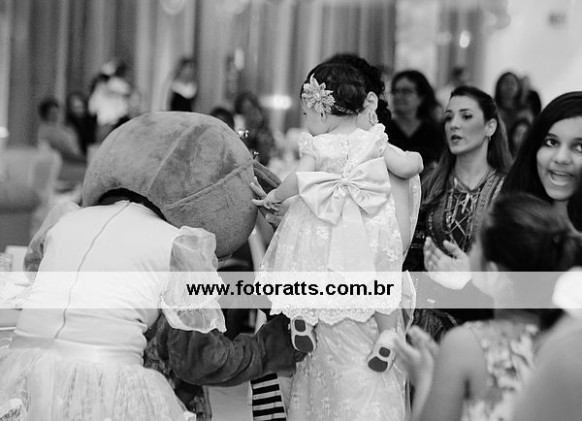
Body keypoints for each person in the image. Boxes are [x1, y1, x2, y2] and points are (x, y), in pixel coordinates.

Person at [0, 112, 297, 421]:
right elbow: (201, 361)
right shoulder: (178, 246)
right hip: (106, 384)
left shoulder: (66, 218)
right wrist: (272, 344)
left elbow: (33, 279)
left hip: (23, 377)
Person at [252, 61, 421, 420]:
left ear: (321, 110)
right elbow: (407, 167)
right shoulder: (375, 141)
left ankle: (303, 317)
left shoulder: (317, 144)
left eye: (306, 113)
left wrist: (275, 196)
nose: (306, 121)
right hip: (369, 237)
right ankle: (387, 336)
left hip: (325, 234)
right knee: (383, 281)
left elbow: (298, 180)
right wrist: (418, 159)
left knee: (306, 267)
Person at [394, 193, 582, 421]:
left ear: (493, 273)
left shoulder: (465, 345)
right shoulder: (567, 342)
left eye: (476, 245)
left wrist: (426, 378)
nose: (471, 252)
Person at [406, 86, 512, 328]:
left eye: (466, 116)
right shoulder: (430, 184)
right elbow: (412, 258)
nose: (454, 124)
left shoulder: (509, 189)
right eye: (448, 117)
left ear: (490, 127)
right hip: (426, 318)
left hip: (485, 318)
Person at [386, 70, 445, 173]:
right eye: (395, 91)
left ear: (421, 97)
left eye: (406, 92)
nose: (398, 96)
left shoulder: (435, 132)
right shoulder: (383, 130)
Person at [234, 91, 276, 166]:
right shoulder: (238, 125)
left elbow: (268, 156)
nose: (249, 114)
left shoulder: (263, 131)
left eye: (251, 109)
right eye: (244, 111)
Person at [493, 71, 532, 135]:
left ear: (518, 88)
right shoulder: (492, 108)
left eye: (512, 83)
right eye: (506, 83)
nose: (509, 86)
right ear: (499, 86)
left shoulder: (524, 112)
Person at [65, 91, 97, 156]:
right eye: (75, 107)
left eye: (81, 107)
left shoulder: (91, 121)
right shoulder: (68, 123)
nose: (79, 110)